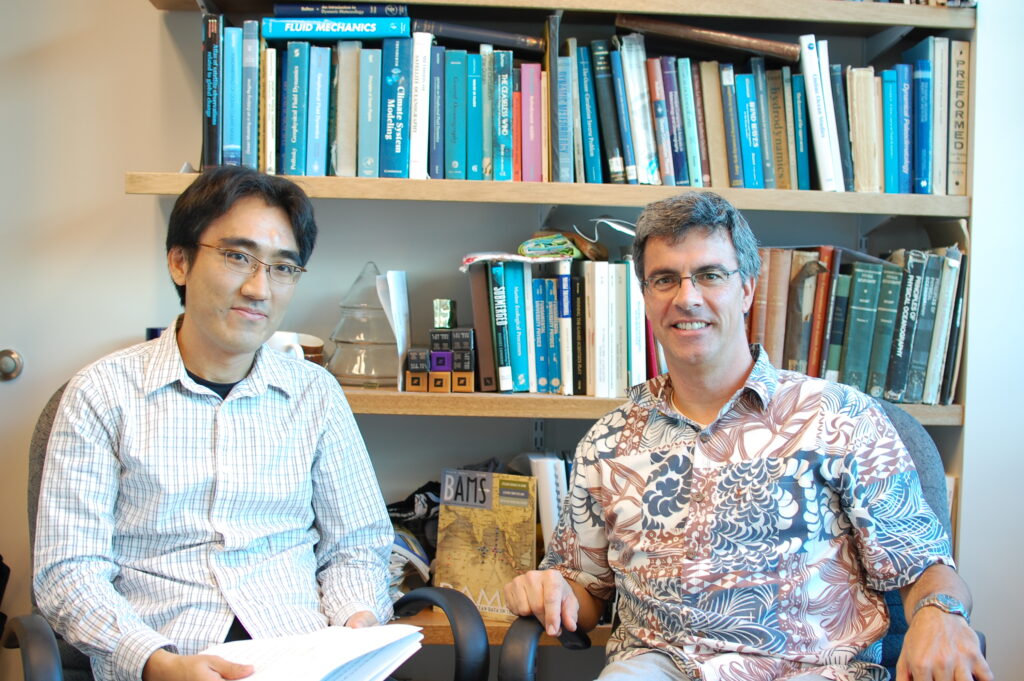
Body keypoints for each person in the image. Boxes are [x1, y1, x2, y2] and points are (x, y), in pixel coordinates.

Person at [503, 192, 991, 681]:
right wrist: (554, 591)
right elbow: (584, 591)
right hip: (658, 667)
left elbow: (926, 566)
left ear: (747, 290)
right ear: (647, 296)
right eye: (665, 279)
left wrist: (941, 611)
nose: (687, 297)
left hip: (815, 671)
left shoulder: (841, 417)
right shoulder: (607, 442)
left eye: (711, 275)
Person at [34, 166, 394, 681]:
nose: (259, 288)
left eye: (283, 267)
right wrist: (155, 662)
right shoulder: (100, 394)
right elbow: (68, 572)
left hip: (299, 657)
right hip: (165, 656)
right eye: (237, 256)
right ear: (179, 261)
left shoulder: (316, 395)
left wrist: (355, 621)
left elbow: (357, 546)